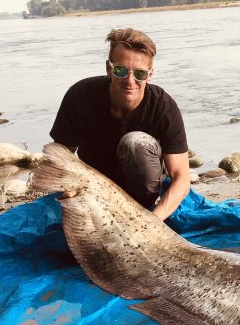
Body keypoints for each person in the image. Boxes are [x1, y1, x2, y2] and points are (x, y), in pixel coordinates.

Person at [50, 28, 190, 220]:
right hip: (96, 189)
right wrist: (69, 190)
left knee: (134, 142)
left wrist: (153, 220)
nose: (130, 81)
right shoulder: (80, 96)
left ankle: (142, 208)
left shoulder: (163, 106)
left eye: (140, 73)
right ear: (109, 68)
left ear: (150, 74)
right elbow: (59, 158)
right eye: (121, 70)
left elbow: (181, 177)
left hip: (144, 194)